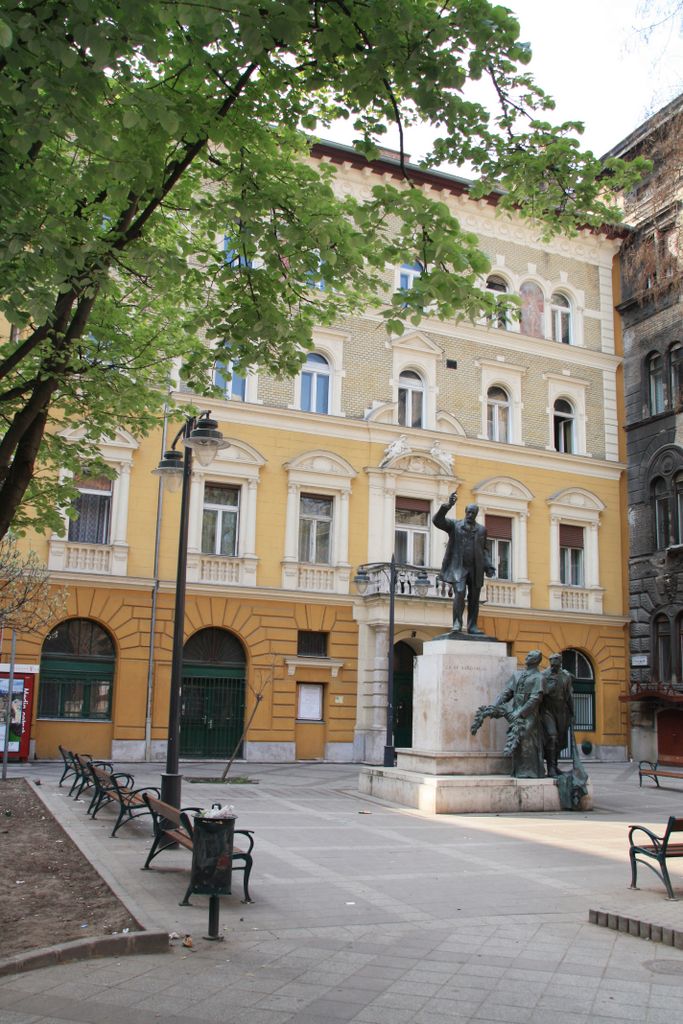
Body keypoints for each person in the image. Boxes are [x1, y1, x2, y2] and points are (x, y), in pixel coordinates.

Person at [471, 649, 545, 778]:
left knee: (526, 738)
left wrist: (519, 713)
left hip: (530, 714)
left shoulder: (539, 677)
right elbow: (506, 693)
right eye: (527, 655)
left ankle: (530, 772)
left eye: (530, 656)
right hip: (515, 711)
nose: (527, 657)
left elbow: (535, 699)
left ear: (536, 660)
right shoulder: (517, 675)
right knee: (517, 739)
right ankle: (519, 770)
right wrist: (495, 706)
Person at [432, 492, 495, 635]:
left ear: (476, 514)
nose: (470, 515)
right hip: (459, 567)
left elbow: (484, 550)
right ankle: (457, 623)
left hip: (476, 568)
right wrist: (446, 507)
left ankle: (472, 626)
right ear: (465, 512)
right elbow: (437, 521)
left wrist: (489, 566)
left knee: (474, 597)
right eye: (469, 512)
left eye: (473, 513)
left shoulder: (482, 530)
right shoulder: (455, 525)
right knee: (459, 592)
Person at [541, 652, 574, 778]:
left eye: (556, 665)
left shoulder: (566, 676)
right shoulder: (543, 675)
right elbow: (539, 694)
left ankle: (554, 766)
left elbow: (569, 696)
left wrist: (572, 713)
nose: (553, 667)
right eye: (552, 665)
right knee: (552, 736)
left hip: (562, 712)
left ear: (560, 663)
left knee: (559, 740)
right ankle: (550, 768)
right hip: (547, 710)